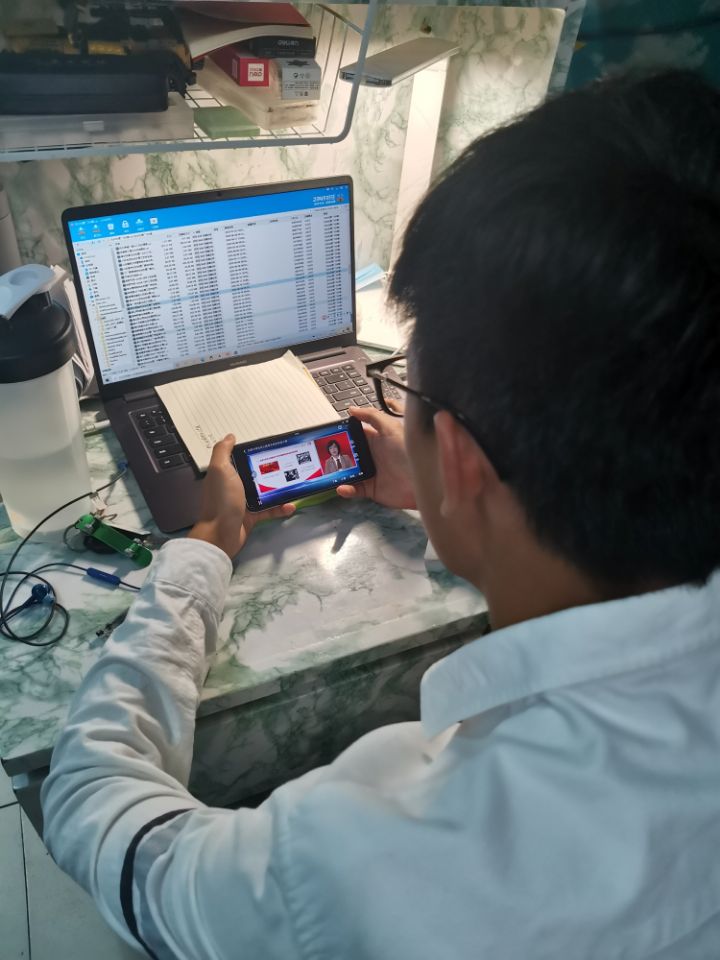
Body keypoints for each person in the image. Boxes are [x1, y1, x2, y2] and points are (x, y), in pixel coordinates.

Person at [41, 69, 720, 959]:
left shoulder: (358, 863)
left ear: (463, 460)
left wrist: (201, 553)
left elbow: (97, 809)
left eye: (411, 392)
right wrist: (451, 502)